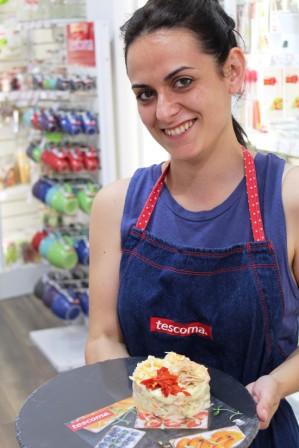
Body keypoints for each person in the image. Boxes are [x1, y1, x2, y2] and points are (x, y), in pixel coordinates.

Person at [85, 0, 299, 445]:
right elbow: (103, 336)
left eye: (182, 82)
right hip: (149, 432)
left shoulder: (288, 198)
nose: (163, 112)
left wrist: (276, 382)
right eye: (145, 93)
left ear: (232, 71)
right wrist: (155, 395)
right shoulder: (115, 206)